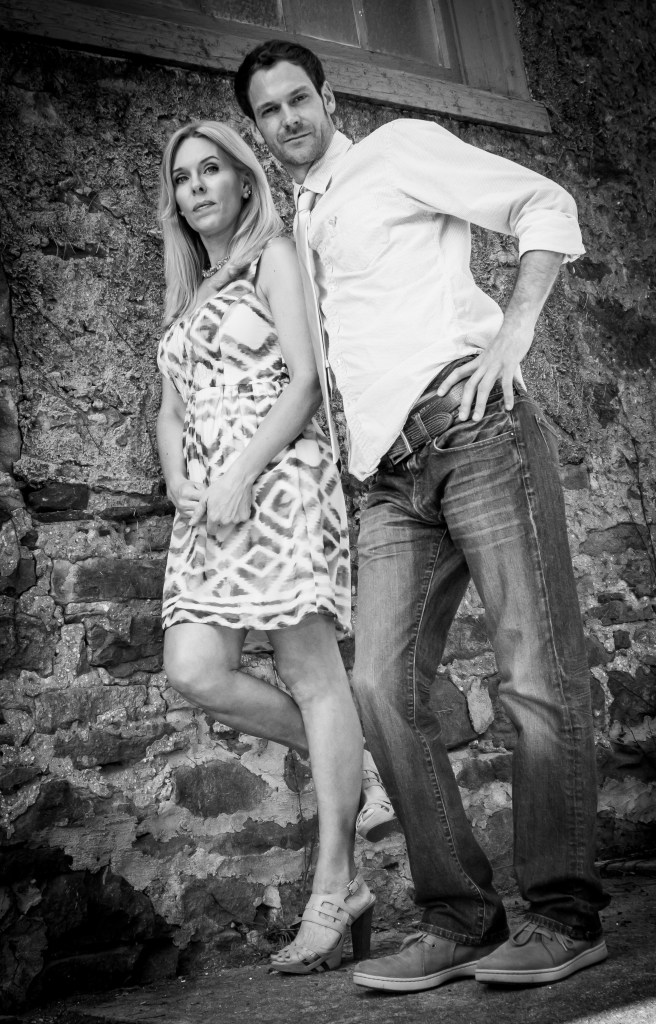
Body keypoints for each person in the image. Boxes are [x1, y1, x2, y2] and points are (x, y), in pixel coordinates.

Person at [234, 41, 610, 992]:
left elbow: (543, 205)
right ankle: (460, 918)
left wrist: (514, 332)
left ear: (328, 97)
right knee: (379, 687)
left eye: (298, 99)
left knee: (533, 673)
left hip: (471, 429)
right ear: (258, 127)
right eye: (268, 110)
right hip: (386, 480)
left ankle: (564, 917)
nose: (287, 119)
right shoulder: (299, 220)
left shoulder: (396, 149)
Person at [156, 120, 379, 975]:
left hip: (278, 477)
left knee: (311, 674)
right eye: (183, 178)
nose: (197, 187)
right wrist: (179, 480)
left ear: (244, 181)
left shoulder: (271, 258)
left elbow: (307, 378)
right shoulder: (189, 292)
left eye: (211, 170)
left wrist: (241, 474)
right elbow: (169, 409)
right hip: (205, 504)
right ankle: (358, 765)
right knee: (194, 670)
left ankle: (335, 886)